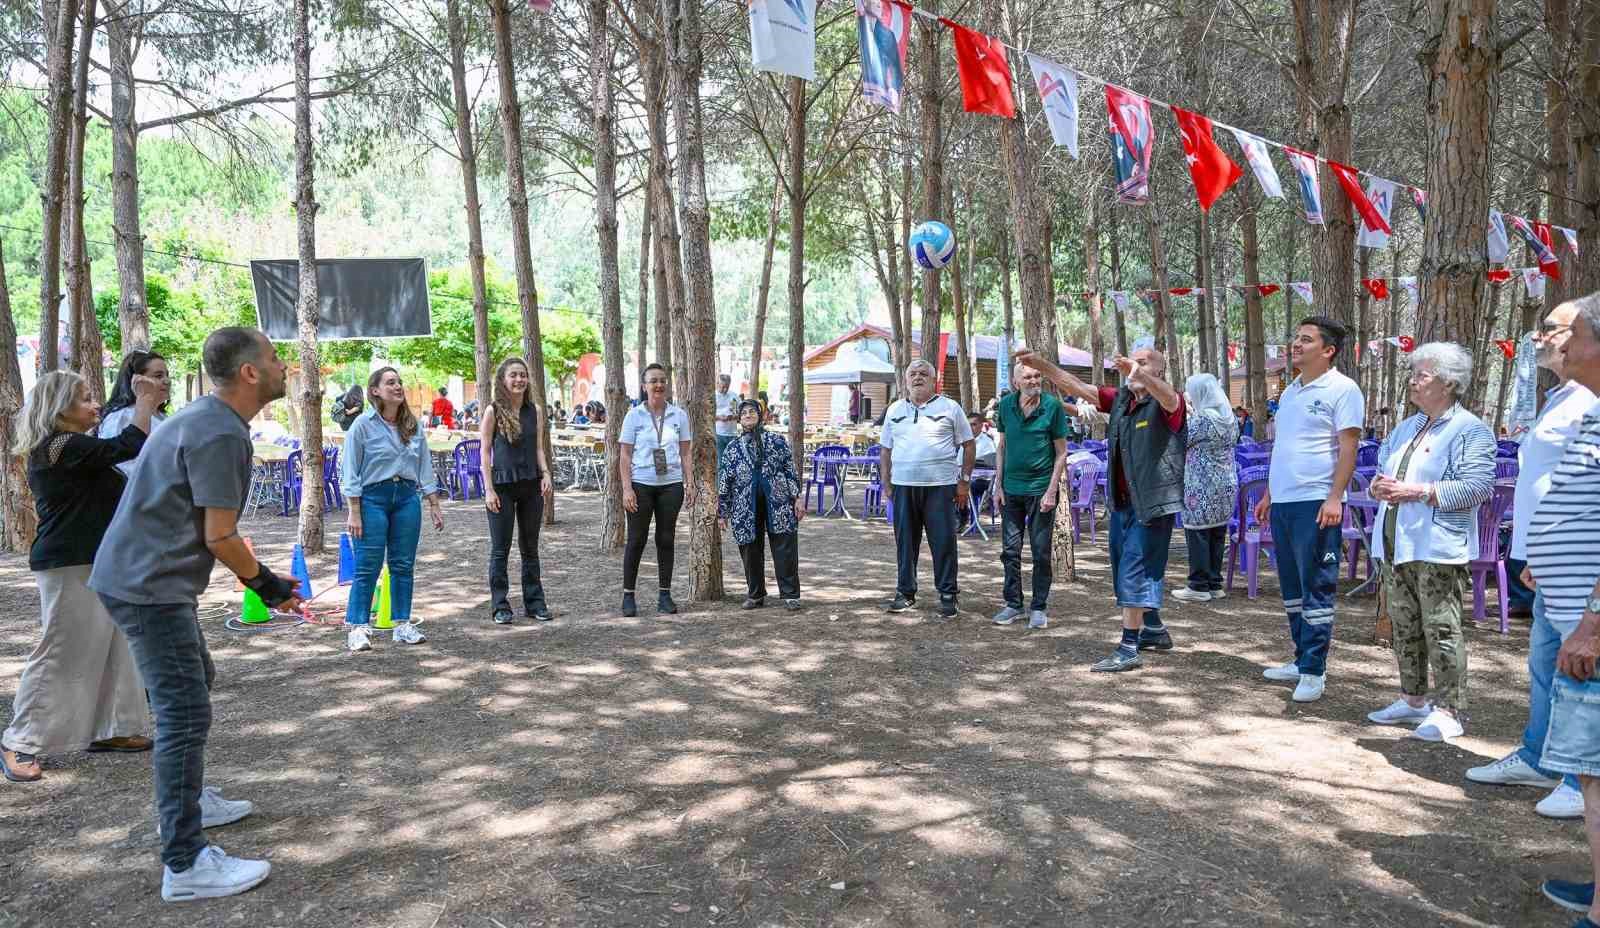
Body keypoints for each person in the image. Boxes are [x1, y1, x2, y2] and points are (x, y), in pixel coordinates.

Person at [87, 327, 304, 901]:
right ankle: (184, 863)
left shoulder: (206, 418)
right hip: (148, 586)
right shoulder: (219, 432)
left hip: (142, 578)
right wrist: (269, 585)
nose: (284, 365)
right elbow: (220, 536)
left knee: (194, 679)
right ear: (250, 373)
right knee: (184, 712)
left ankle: (193, 797)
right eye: (274, 358)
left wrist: (260, 575)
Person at [1468, 297, 1598, 819]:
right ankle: (1539, 758)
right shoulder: (1562, 396)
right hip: (1548, 559)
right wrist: (1533, 550)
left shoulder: (1590, 399)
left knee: (1578, 666)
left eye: (1553, 329)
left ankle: (1577, 774)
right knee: (1545, 662)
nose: (1540, 337)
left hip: (1584, 567)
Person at [0, 371, 162, 784]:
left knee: (115, 644)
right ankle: (19, 740)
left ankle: (112, 728)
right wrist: (144, 403)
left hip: (97, 559)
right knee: (61, 647)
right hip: (69, 560)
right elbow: (127, 444)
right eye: (86, 398)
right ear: (60, 409)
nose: (95, 405)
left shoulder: (71, 448)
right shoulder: (61, 445)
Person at [1015, 347, 1186, 672]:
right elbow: (1076, 386)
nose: (1134, 367)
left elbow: (1167, 396)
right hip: (1122, 504)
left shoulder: (1169, 401)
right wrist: (1040, 365)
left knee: (1134, 570)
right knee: (1125, 568)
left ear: (1159, 371)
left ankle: (1128, 647)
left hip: (1152, 504)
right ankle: (1153, 629)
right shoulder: (1121, 399)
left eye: (1144, 362)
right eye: (1133, 361)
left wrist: (1139, 373)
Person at [1364, 342, 1496, 741]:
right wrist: (1377, 487)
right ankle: (1412, 698)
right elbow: (1382, 472)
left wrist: (1417, 491)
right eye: (1413, 374)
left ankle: (1449, 710)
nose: (1412, 382)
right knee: (1404, 624)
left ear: (1449, 383)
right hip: (1395, 543)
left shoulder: (1469, 430)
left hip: (1437, 545)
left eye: (1421, 375)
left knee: (1440, 626)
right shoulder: (1406, 427)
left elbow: (1478, 487)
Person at [1524, 292, 1600, 924]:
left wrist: (1593, 621)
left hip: (1590, 623)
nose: (1556, 342)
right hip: (1572, 604)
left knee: (1595, 770)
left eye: (1566, 332)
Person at [1254, 316, 1364, 703]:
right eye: (1295, 338)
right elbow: (1284, 447)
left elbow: (1348, 448)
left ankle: (1315, 670)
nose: (1296, 345)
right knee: (1292, 586)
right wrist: (1269, 494)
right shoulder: (1290, 391)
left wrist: (1335, 497)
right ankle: (1301, 658)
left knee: (1316, 584)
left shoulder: (1343, 389)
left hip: (1316, 501)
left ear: (1328, 350)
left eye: (1306, 339)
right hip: (1283, 502)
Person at [341, 367, 446, 652]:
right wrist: (354, 510)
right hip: (372, 499)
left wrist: (433, 503)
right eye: (390, 383)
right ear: (375, 391)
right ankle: (358, 627)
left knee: (402, 564)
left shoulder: (413, 425)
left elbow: (424, 466)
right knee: (368, 564)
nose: (397, 386)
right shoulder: (362, 425)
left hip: (407, 498)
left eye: (399, 382)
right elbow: (350, 469)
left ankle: (402, 625)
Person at [880, 359, 975, 618]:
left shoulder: (950, 407)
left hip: (940, 487)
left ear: (935, 380)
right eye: (913, 373)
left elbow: (968, 444)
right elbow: (886, 449)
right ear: (906, 379)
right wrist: (886, 483)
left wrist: (964, 481)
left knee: (943, 542)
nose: (918, 377)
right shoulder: (894, 409)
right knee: (905, 543)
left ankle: (948, 594)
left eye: (924, 373)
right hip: (903, 486)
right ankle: (905, 593)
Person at [990, 364, 1069, 630]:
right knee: (1010, 551)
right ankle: (1014, 604)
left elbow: (1061, 452)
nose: (1034, 380)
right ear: (1016, 382)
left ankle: (1038, 607)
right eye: (1027, 377)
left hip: (1040, 491)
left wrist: (1051, 491)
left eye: (1037, 376)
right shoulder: (1005, 406)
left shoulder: (1052, 406)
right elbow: (1002, 446)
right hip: (1011, 490)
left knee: (1040, 552)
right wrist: (998, 485)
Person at [479, 357, 553, 625]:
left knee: (530, 548)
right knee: (501, 549)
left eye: (523, 375)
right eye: (513, 375)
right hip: (502, 487)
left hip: (531, 484)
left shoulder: (536, 410)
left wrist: (545, 473)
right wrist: (489, 490)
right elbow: (485, 452)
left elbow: (538, 448)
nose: (519, 379)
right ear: (502, 380)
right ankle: (500, 605)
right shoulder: (493, 411)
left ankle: (535, 603)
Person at [618, 363, 694, 617]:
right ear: (644, 386)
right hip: (641, 485)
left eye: (662, 380)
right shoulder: (634, 416)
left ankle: (665, 595)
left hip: (671, 485)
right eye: (653, 381)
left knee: (666, 539)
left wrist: (689, 483)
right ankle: (628, 595)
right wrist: (627, 489)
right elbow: (625, 456)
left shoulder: (679, 415)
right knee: (636, 539)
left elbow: (686, 453)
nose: (658, 385)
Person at [717, 398, 804, 610]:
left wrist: (797, 498)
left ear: (761, 415)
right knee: (749, 548)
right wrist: (723, 511)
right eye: (744, 413)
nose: (748, 415)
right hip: (745, 504)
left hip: (778, 501)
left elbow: (789, 469)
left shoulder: (776, 441)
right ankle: (755, 594)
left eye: (752, 411)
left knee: (785, 545)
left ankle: (791, 594)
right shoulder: (732, 448)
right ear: (739, 419)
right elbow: (725, 480)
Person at [1171, 374, 1239, 604]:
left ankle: (1198, 585)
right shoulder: (1229, 418)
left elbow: (1179, 440)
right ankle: (1214, 583)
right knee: (1217, 532)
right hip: (1226, 484)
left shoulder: (1202, 420)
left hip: (1201, 485)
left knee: (1198, 533)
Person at [98, 350, 171, 475]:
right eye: (158, 376)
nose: (167, 381)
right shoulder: (120, 417)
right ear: (136, 380)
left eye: (167, 375)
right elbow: (119, 467)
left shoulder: (164, 417)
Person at [715, 373, 739, 461]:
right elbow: (708, 415)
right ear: (717, 384)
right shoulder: (713, 396)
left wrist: (733, 416)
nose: (725, 389)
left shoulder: (734, 396)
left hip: (732, 433)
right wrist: (719, 417)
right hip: (718, 434)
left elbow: (740, 412)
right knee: (720, 460)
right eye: (723, 387)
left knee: (732, 460)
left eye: (727, 387)